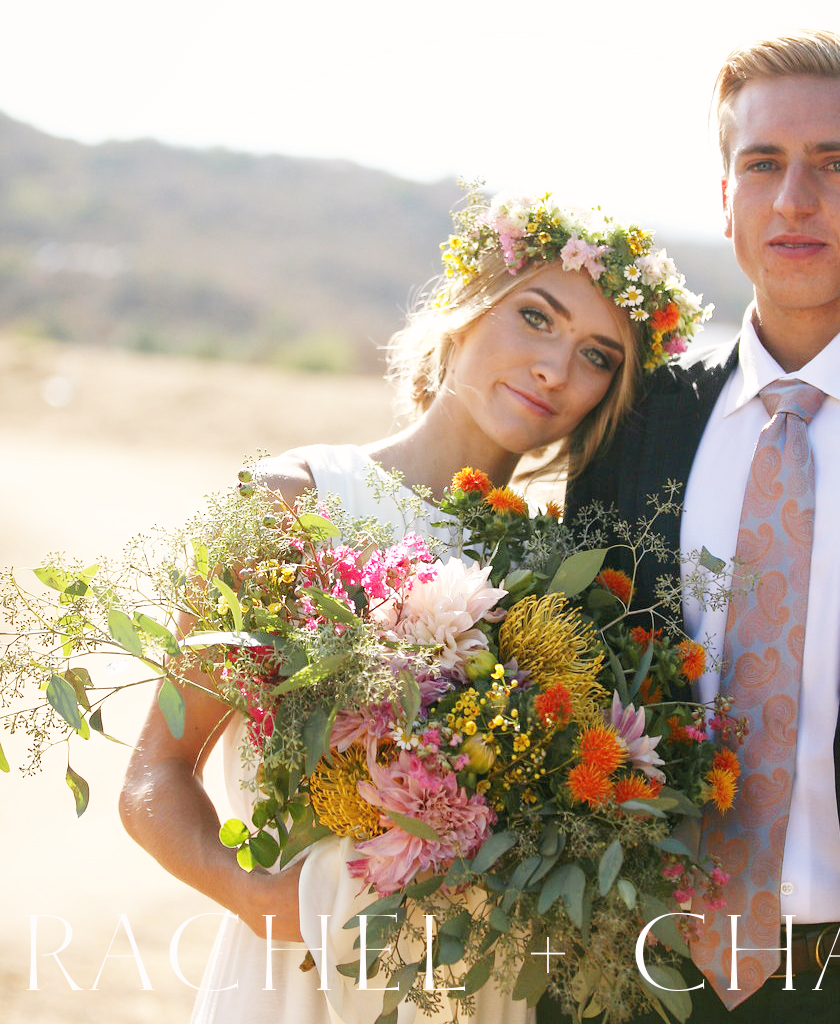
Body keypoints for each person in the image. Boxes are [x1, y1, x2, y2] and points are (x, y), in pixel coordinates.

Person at [118, 189, 710, 1023]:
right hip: (304, 972)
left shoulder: (566, 578)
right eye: (536, 317)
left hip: (484, 995)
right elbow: (154, 776)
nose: (556, 369)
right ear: (464, 313)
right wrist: (259, 902)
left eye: (599, 357)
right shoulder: (295, 502)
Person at [563, 29, 840, 1024]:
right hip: (657, 974)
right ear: (724, 197)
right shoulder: (637, 418)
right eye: (761, 164)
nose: (793, 199)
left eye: (837, 164)